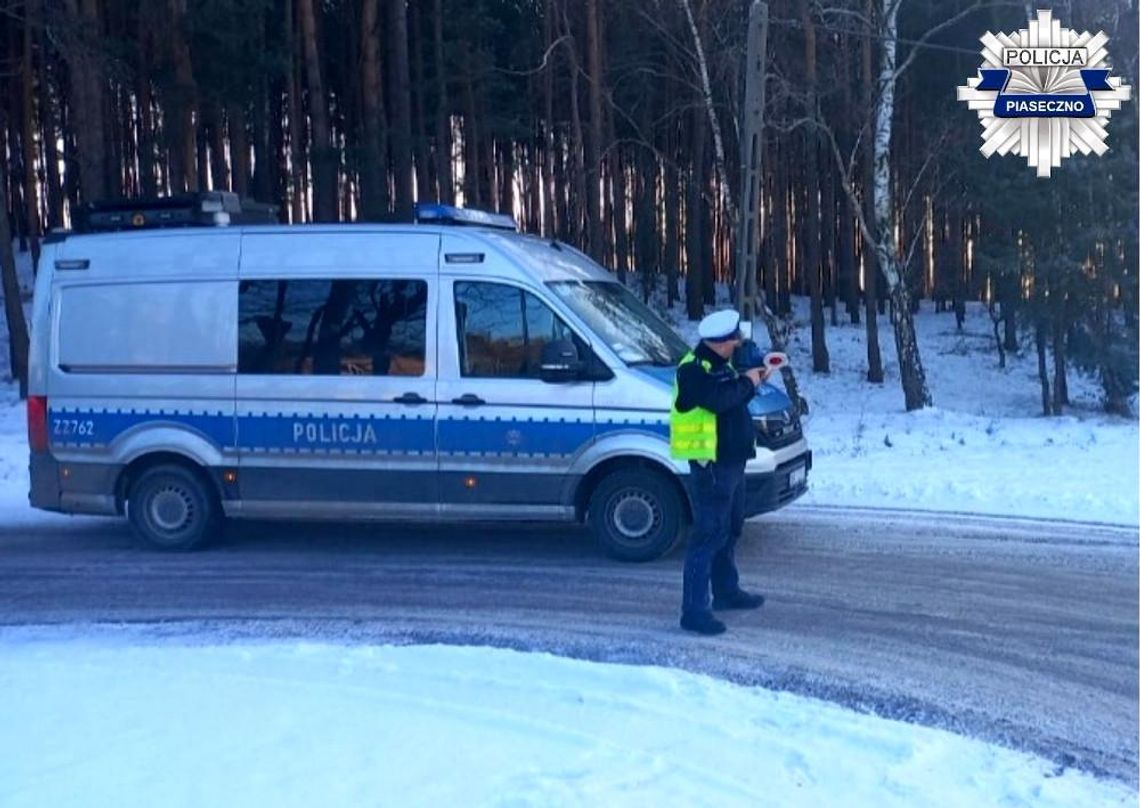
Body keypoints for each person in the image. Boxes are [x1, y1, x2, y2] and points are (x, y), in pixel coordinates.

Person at [670, 309, 769, 636]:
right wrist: (748, 382)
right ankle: (694, 611)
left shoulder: (720, 365)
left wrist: (754, 378)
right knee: (708, 534)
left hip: (731, 461)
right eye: (734, 339)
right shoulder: (693, 370)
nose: (739, 342)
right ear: (720, 343)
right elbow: (719, 400)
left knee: (730, 528)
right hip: (710, 465)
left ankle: (726, 591)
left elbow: (732, 395)